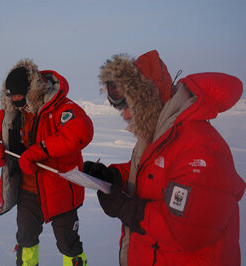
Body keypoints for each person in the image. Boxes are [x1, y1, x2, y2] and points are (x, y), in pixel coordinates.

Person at [83, 50, 245, 265]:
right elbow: (152, 173)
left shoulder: (199, 147)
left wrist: (126, 208)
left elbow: (190, 232)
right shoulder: (160, 136)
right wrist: (114, 175)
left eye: (131, 107)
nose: (127, 116)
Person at [0, 59, 93, 266]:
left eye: (20, 98)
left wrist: (39, 151)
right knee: (25, 241)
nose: (17, 103)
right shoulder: (14, 112)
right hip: (28, 192)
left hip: (61, 190)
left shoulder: (62, 108)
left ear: (32, 91)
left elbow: (81, 132)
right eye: (12, 98)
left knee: (69, 246)